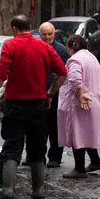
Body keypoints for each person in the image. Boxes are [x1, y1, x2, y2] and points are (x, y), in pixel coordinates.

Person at [0, 15, 67, 199]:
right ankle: (39, 190)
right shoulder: (45, 47)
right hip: (39, 105)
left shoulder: (11, 46)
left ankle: (8, 190)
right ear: (30, 28)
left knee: (12, 146)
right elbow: (62, 72)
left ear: (14, 28)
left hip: (16, 105)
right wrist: (51, 92)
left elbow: (0, 74)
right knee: (37, 149)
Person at [58, 35, 100, 178]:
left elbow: (74, 79)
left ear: (70, 47)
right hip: (94, 100)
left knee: (77, 134)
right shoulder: (91, 57)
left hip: (80, 103)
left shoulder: (75, 60)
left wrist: (80, 96)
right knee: (87, 133)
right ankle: (96, 161)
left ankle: (79, 168)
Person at [39, 22, 69, 168]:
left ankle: (55, 157)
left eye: (50, 34)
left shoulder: (61, 50)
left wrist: (52, 91)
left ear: (54, 34)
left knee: (55, 126)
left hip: (56, 93)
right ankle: (37, 155)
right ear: (40, 35)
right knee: (38, 126)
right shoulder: (37, 48)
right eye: (44, 34)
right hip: (38, 92)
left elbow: (62, 74)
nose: (47, 37)